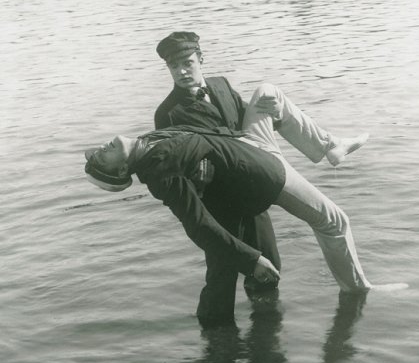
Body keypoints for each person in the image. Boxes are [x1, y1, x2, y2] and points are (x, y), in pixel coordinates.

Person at [84, 82, 372, 325]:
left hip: (250, 140)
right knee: (335, 222)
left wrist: (273, 117)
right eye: (100, 158)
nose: (100, 149)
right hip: (261, 169)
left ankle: (330, 146)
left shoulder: (146, 141)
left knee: (267, 92)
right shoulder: (159, 170)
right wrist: (251, 259)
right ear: (122, 171)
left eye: (95, 152)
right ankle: (357, 292)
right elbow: (198, 224)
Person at [153, 31, 368, 325]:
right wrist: (197, 172)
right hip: (222, 203)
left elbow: (249, 123)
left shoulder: (221, 85)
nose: (181, 71)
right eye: (174, 66)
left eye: (187, 63)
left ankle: (265, 336)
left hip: (254, 187)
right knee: (221, 280)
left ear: (201, 59)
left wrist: (276, 114)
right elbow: (178, 169)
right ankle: (217, 343)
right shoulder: (168, 114)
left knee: (270, 271)